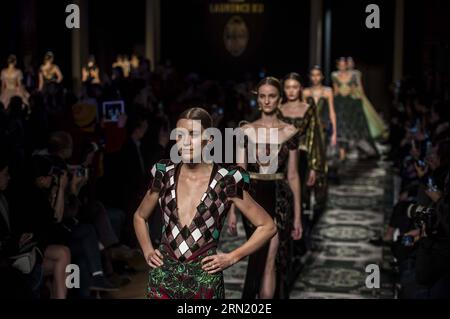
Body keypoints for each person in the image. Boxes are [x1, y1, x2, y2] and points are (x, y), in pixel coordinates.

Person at [134, 107, 276, 299]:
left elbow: (267, 226)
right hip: (163, 278)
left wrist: (232, 257)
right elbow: (140, 216)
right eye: (180, 135)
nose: (185, 143)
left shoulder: (225, 181)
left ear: (209, 140)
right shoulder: (164, 174)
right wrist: (148, 251)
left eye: (192, 135)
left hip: (204, 280)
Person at [229, 77, 303, 299]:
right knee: (257, 255)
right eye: (263, 96)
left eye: (271, 96)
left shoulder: (290, 132)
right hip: (252, 197)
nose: (267, 100)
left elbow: (293, 175)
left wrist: (298, 216)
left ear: (279, 100)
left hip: (280, 197)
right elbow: (239, 171)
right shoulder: (245, 130)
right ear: (257, 99)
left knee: (271, 257)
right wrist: (232, 210)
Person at [277, 73, 327, 272]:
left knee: (301, 198)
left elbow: (315, 136)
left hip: (303, 157)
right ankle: (286, 242)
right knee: (284, 199)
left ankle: (299, 242)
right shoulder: (278, 109)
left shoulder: (308, 108)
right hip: (282, 159)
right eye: (287, 87)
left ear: (300, 89)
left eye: (294, 87)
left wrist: (315, 165)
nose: (291, 90)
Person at [331, 57, 377, 160]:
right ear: (338, 65)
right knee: (341, 127)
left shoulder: (353, 74)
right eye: (340, 64)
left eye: (344, 64)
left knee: (353, 127)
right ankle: (342, 153)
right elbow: (336, 91)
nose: (342, 66)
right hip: (340, 103)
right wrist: (332, 103)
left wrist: (362, 98)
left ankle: (355, 150)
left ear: (346, 65)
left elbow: (358, 88)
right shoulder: (334, 75)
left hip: (351, 103)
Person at [347, 57, 388, 141]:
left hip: (356, 94)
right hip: (347, 95)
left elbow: (359, 84)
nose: (350, 64)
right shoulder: (343, 74)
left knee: (364, 114)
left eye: (351, 62)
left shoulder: (356, 73)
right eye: (348, 62)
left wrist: (361, 95)